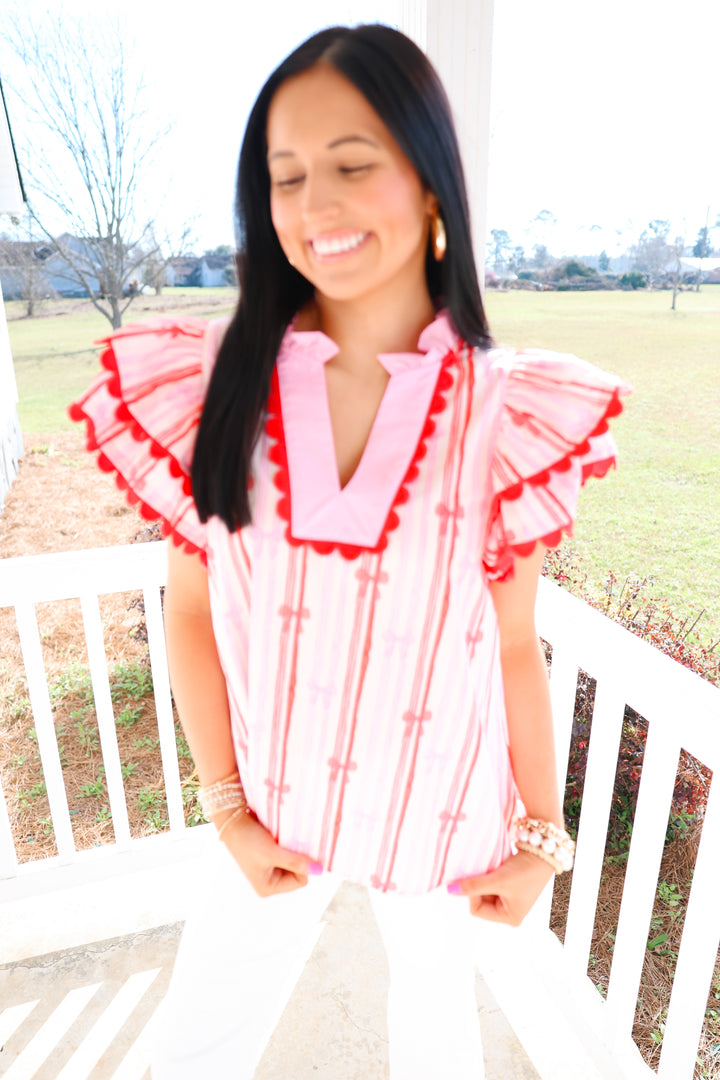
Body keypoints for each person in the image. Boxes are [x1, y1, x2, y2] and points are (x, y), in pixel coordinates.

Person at [69, 23, 630, 1079]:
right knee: (197, 1043)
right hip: (273, 810)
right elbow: (189, 612)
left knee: (437, 1042)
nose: (314, 204)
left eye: (352, 164)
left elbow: (513, 647)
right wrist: (227, 807)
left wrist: (541, 836)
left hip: (444, 817)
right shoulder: (213, 391)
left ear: (430, 187)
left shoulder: (501, 412)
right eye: (285, 177)